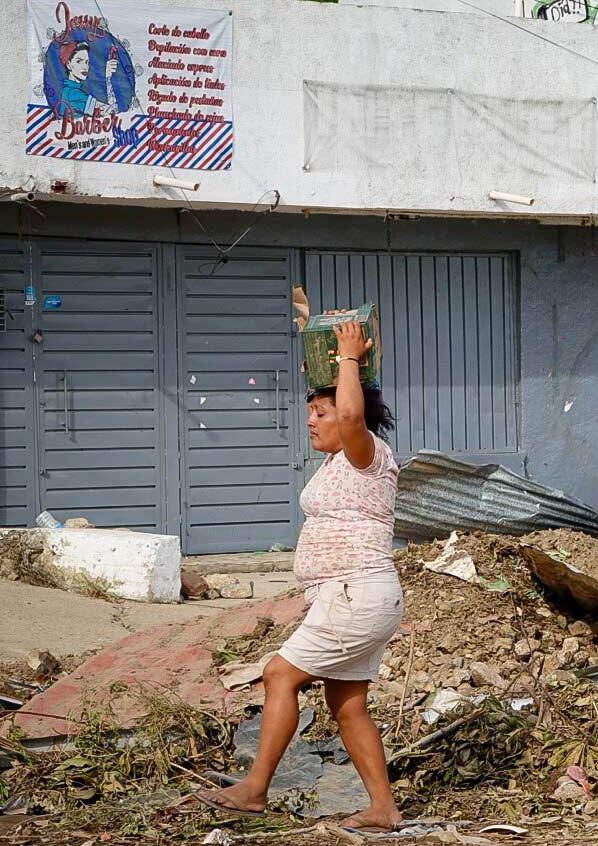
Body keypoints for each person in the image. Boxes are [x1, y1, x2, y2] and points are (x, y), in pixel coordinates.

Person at [194, 321, 404, 832]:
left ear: (349, 417)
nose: (310, 420)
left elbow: (353, 412)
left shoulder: (367, 455)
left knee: (279, 674)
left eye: (320, 412)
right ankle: (383, 808)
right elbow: (344, 412)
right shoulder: (337, 463)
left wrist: (349, 357)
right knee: (346, 702)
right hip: (354, 595)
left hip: (356, 592)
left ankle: (254, 789)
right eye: (309, 410)